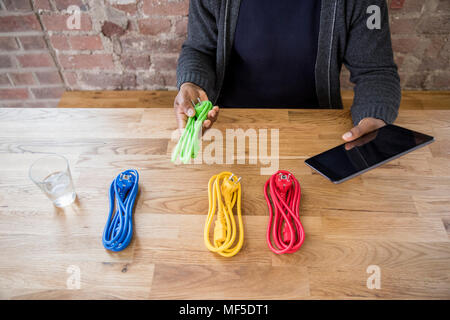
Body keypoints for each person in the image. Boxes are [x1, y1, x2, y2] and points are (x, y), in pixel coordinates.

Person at [174, 0, 401, 143]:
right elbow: (199, 49)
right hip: (229, 125)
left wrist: (374, 117)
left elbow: (375, 71)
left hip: (317, 130)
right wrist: (191, 84)